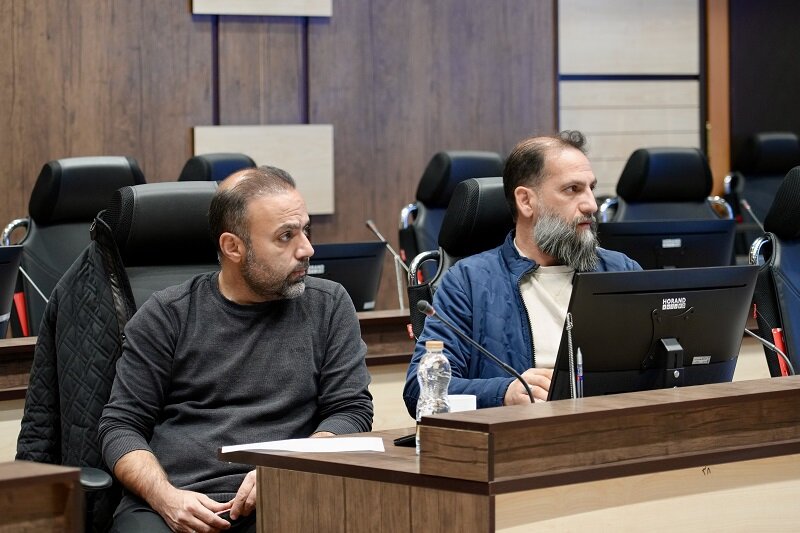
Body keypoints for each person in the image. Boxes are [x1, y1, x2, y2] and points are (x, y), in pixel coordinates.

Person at [99, 166, 374, 532]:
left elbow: (350, 410)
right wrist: (165, 497)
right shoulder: (168, 313)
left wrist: (292, 463)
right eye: (286, 236)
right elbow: (120, 426)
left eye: (305, 230)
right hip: (175, 500)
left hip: (283, 494)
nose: (307, 249)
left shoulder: (329, 305)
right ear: (233, 247)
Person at [403, 131, 641, 416]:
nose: (591, 204)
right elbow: (419, 391)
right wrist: (505, 393)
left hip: (614, 427)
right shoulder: (468, 282)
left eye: (591, 188)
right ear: (526, 201)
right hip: (519, 433)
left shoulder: (620, 271)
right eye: (572, 189)